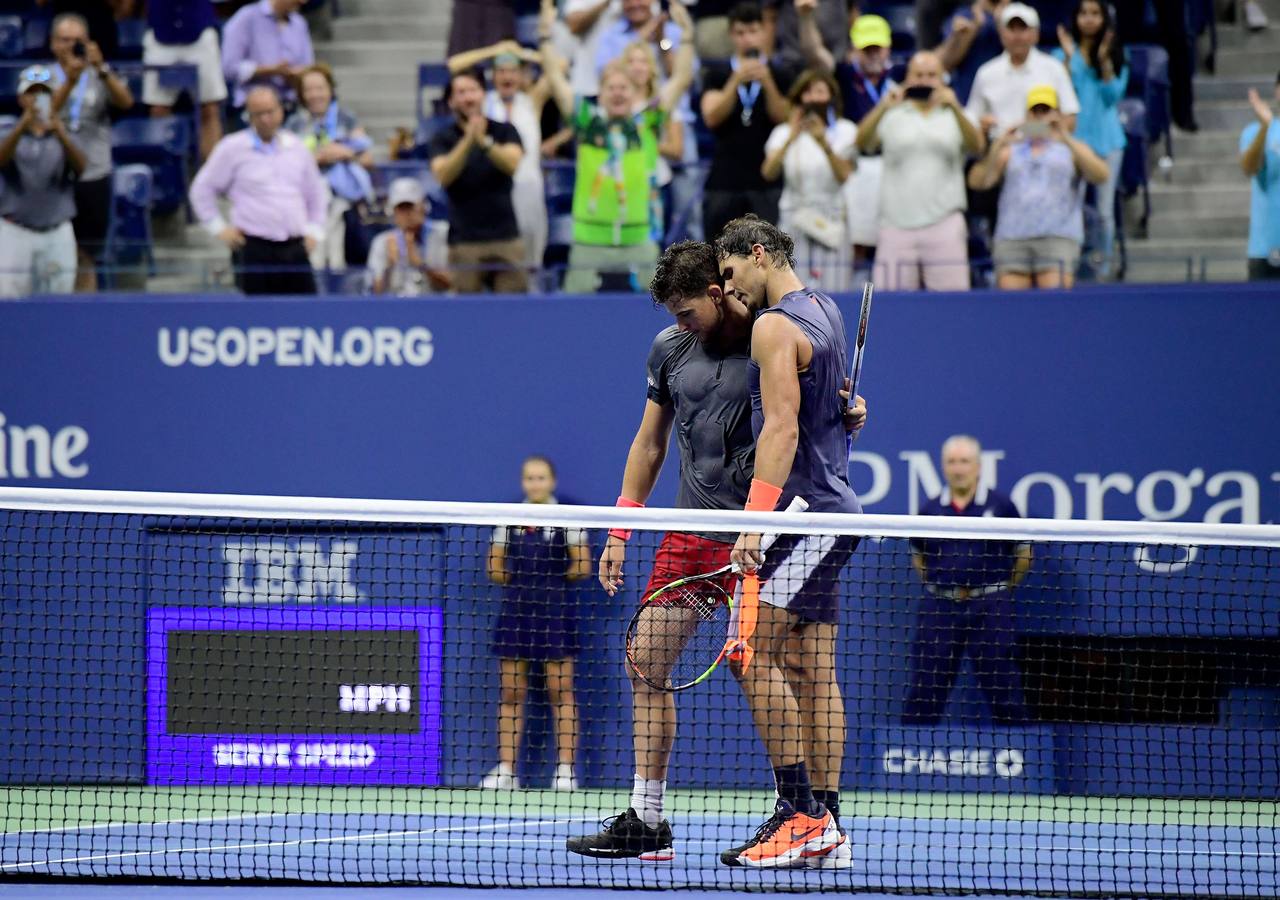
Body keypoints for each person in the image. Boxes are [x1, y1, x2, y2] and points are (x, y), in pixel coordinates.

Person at [566, 238, 866, 863]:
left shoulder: (770, 332)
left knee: (808, 668)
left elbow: (801, 417)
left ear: (718, 291)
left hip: (763, 535)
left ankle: (820, 818)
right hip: (689, 533)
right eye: (670, 316)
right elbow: (649, 443)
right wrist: (621, 528)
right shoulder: (669, 351)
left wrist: (847, 412)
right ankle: (648, 818)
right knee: (644, 660)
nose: (679, 326)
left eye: (687, 312)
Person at [717, 214, 861, 868]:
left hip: (802, 514)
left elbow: (778, 433)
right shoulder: (823, 310)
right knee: (811, 668)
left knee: (748, 653)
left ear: (757, 253)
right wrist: (852, 411)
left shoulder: (773, 325)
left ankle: (800, 813)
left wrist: (755, 522)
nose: (727, 289)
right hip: (833, 508)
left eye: (729, 273)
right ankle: (827, 821)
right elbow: (834, 409)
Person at [544, 0, 695, 293]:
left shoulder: (647, 121)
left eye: (623, 88)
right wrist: (545, 36)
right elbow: (554, 78)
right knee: (575, 312)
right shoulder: (587, 123)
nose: (617, 93)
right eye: (610, 88)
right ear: (600, 93)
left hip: (639, 238)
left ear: (634, 91)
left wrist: (687, 37)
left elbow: (680, 79)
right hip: (589, 238)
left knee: (653, 310)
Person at [903, 435, 1032, 725]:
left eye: (964, 461)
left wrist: (997, 590)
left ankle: (1025, 754)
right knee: (926, 685)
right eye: (952, 462)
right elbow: (919, 557)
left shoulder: (1002, 507)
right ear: (943, 466)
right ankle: (909, 752)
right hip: (940, 607)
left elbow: (1023, 556)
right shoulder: (930, 510)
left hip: (991, 608)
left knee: (1004, 685)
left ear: (977, 466)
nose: (958, 468)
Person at [482, 455, 591, 792]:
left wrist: (550, 583)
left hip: (556, 614)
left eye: (541, 478)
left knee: (562, 692)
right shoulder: (510, 519)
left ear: (552, 482)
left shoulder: (567, 519)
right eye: (530, 478)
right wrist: (522, 583)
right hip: (516, 613)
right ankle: (505, 771)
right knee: (511, 693)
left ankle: (565, 771)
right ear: (523, 483)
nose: (535, 483)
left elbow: (582, 566)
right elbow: (494, 567)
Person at [857, 51, 982, 291]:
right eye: (918, 75)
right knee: (891, 308)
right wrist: (883, 106)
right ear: (907, 78)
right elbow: (862, 142)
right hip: (895, 224)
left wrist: (955, 107)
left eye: (931, 75)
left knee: (951, 307)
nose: (924, 80)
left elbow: (977, 146)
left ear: (943, 79)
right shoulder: (892, 112)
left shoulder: (956, 113)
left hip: (944, 222)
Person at [968, 84, 1109, 290]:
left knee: (1055, 306)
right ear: (1027, 115)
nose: (1040, 117)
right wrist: (999, 144)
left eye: (1046, 111)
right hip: (1013, 236)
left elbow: (1101, 175)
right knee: (1012, 308)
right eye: (1035, 112)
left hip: (1057, 235)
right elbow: (978, 182)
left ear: (1057, 114)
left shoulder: (1071, 150)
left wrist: (1065, 137)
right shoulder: (1011, 149)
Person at [190, 86, 328, 295]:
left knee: (304, 314)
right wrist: (218, 228)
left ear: (280, 111)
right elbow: (201, 189)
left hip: (294, 246)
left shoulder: (296, 147)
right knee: (256, 315)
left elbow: (316, 193)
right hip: (253, 246)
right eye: (258, 114)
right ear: (249, 116)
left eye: (270, 112)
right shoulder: (232, 148)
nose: (265, 119)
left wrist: (315, 230)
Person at [448, 12, 558, 273]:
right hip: (497, 191)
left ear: (521, 74)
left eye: (513, 70)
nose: (507, 76)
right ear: (492, 76)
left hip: (529, 186)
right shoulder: (483, 102)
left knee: (531, 260)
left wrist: (521, 53)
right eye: (501, 71)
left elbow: (559, 66)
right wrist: (495, 50)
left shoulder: (531, 101)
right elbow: (454, 66)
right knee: (503, 260)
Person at [798, 5, 900, 279]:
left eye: (878, 47)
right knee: (855, 242)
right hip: (856, 166)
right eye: (867, 49)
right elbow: (814, 53)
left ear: (888, 47)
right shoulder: (842, 75)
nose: (874, 53)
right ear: (854, 49)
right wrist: (807, 18)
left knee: (891, 240)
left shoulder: (900, 77)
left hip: (893, 164)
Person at [46, 13, 133, 292]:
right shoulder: (40, 74)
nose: (71, 46)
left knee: (87, 254)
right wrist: (70, 81)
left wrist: (102, 69)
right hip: (52, 176)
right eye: (64, 40)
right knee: (54, 253)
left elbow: (126, 102)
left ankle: (83, 311)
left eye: (78, 41)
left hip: (93, 174)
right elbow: (40, 113)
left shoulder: (101, 73)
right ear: (52, 44)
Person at [426, 68, 529, 294]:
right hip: (464, 240)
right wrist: (468, 141)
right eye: (461, 92)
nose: (468, 97)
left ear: (483, 94)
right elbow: (442, 175)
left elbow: (512, 164)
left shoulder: (504, 131)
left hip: (506, 237)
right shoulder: (442, 138)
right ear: (451, 101)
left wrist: (484, 142)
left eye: (473, 90)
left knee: (514, 311)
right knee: (466, 313)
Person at [700, 2, 793, 242]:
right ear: (732, 35)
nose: (747, 39)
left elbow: (785, 118)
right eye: (741, 33)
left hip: (766, 183)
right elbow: (711, 117)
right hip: (724, 181)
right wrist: (735, 82)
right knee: (718, 255)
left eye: (753, 31)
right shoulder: (717, 74)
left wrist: (768, 83)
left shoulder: (780, 74)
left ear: (764, 32)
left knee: (766, 258)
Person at [761, 69, 857, 293]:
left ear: (831, 98)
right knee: (793, 293)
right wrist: (791, 137)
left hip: (831, 220)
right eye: (808, 92)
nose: (814, 98)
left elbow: (844, 175)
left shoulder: (845, 130)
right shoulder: (783, 132)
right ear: (799, 99)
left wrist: (823, 141)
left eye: (820, 92)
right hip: (794, 220)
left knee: (835, 292)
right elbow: (768, 172)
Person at [1053, 0, 1127, 280]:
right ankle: (1070, 264)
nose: (1089, 19)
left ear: (1105, 19)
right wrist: (1070, 61)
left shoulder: (1119, 54)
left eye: (1095, 13)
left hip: (1108, 140)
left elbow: (1112, 98)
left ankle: (1103, 267)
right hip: (1072, 140)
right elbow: (1060, 95)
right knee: (1072, 207)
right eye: (1084, 13)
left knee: (1105, 211)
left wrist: (1105, 62)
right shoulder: (1060, 54)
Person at [0, 65, 86, 298]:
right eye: (32, 93)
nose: (37, 99)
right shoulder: (6, 129)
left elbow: (81, 168)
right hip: (15, 230)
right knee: (9, 302)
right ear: (20, 98)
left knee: (58, 301)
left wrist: (59, 132)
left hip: (56, 231)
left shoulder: (66, 131)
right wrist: (22, 126)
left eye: (44, 93)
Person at [284, 64, 375, 274]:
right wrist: (315, 159)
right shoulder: (294, 124)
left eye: (320, 88)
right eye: (309, 89)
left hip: (345, 205)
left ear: (330, 90)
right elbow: (284, 167)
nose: (315, 95)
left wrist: (345, 153)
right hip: (306, 203)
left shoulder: (346, 119)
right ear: (301, 94)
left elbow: (368, 159)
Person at [965, 4, 1079, 138]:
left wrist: (1029, 131)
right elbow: (972, 118)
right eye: (1011, 28)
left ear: (1035, 34)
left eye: (1023, 28)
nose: (1017, 35)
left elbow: (1070, 119)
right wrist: (981, 125)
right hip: (999, 148)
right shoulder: (986, 73)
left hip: (1044, 147)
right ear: (1001, 33)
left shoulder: (1054, 68)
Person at [143, 0, 227, 162]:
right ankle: (168, 170)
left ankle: (214, 176)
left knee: (209, 107)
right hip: (160, 29)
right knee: (159, 108)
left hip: (199, 30)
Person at [221, 0, 314, 111]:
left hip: (291, 106)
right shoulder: (246, 18)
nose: (303, 2)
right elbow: (228, 67)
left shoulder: (299, 23)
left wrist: (295, 74)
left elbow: (309, 67)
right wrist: (268, 70)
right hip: (254, 110)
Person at [366, 179, 451, 296]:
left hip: (437, 305)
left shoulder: (444, 233)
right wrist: (389, 265)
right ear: (393, 212)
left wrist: (421, 265)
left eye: (410, 207)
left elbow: (452, 284)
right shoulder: (382, 242)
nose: (407, 214)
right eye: (401, 208)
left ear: (424, 206)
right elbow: (376, 293)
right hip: (398, 307)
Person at [1239, 73, 1280, 282]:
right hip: (1264, 249)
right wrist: (1265, 127)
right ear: (1276, 90)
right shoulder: (1254, 132)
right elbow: (1249, 167)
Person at [936, 0, 1007, 107]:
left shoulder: (1016, 15)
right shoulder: (965, 16)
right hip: (966, 96)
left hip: (1003, 94)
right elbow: (945, 64)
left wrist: (1001, 25)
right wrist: (975, 27)